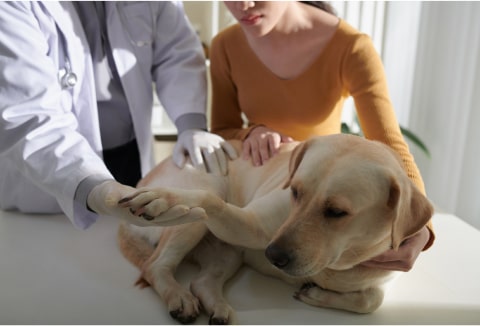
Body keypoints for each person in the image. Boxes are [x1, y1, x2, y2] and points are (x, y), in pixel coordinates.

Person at [209, 1, 434, 271]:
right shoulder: (225, 45)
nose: (243, 5)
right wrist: (252, 131)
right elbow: (221, 130)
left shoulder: (351, 46)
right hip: (273, 187)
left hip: (328, 199)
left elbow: (389, 144)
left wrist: (422, 227)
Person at [0, 2, 236, 230]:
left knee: (121, 249)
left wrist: (190, 124)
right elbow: (28, 113)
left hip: (131, 157)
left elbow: (176, 54)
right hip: (52, 175)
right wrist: (97, 189)